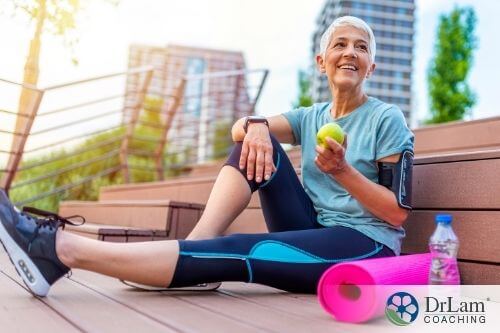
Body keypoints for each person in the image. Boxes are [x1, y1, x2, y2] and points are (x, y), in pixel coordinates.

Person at [0, 16, 414, 297]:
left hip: (364, 245)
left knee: (239, 249)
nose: (350, 53)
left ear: (371, 66)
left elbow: (396, 214)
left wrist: (341, 171)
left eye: (361, 47)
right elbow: (240, 132)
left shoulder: (386, 119)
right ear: (322, 61)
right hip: (310, 225)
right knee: (254, 142)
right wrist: (255, 124)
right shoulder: (311, 117)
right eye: (340, 44)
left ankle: (59, 250)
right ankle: (195, 245)